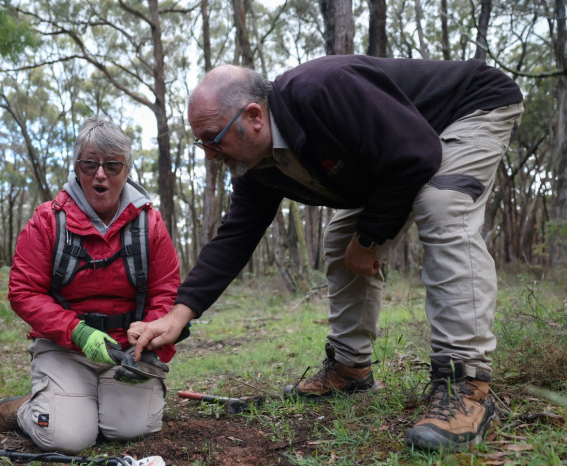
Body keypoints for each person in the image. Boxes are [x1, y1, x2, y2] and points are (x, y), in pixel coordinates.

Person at [129, 56, 524, 452]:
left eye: (213, 138)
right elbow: (235, 236)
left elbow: (415, 156)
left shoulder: (323, 91)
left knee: (442, 206)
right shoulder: (257, 166)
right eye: (202, 143)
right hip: (404, 147)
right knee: (339, 237)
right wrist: (180, 313)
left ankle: (465, 384)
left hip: (467, 108)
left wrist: (368, 241)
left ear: (254, 116)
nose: (210, 154)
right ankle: (350, 370)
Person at [0, 117, 180, 455]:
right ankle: (26, 410)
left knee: (130, 429)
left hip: (126, 352)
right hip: (65, 349)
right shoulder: (48, 221)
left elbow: (166, 290)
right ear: (77, 168)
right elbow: (23, 291)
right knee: (67, 439)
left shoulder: (150, 223)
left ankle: (82, 401)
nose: (100, 174)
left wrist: (150, 343)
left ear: (126, 170)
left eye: (112, 165)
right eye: (90, 164)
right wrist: (77, 332)